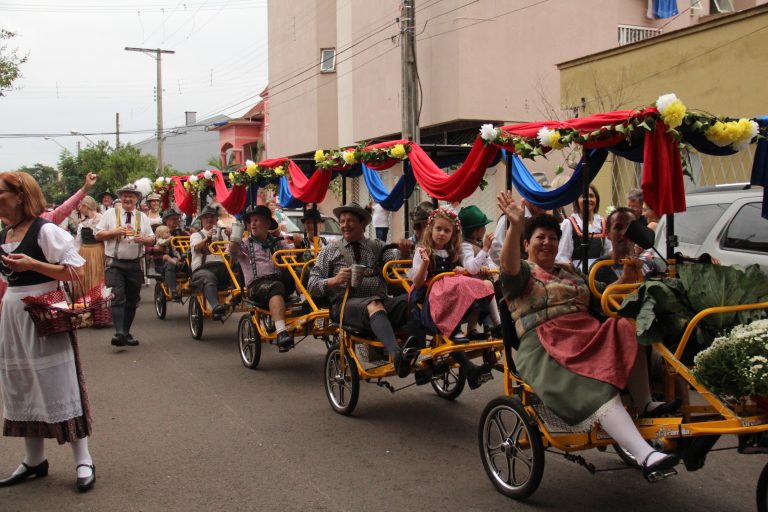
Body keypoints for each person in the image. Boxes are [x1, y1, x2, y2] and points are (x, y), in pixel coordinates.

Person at [496, 190, 680, 481]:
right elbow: (508, 265)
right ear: (526, 244)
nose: (547, 243)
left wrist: (628, 278)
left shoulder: (571, 273)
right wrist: (516, 224)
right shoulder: (522, 273)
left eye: (552, 238)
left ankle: (644, 402)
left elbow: (601, 302)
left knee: (625, 326)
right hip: (545, 344)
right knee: (593, 387)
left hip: (585, 334)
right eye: (540, 238)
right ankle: (646, 455)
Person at [0, 171, 96, 492]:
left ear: (20, 196)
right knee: (21, 382)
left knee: (58, 382)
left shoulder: (46, 230)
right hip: (13, 315)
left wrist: (33, 265)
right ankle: (33, 459)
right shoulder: (6, 233)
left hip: (43, 311)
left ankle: (83, 459)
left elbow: (74, 272)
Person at [308, 202, 415, 378]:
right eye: (342, 221)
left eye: (350, 221)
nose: (344, 225)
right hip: (344, 306)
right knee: (374, 304)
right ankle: (397, 355)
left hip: (380, 302)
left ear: (363, 224)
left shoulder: (379, 246)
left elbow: (395, 270)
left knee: (412, 300)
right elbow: (312, 285)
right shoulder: (330, 250)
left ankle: (420, 350)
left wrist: (404, 253)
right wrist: (335, 280)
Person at [410, 208, 496, 388]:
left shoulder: (452, 251)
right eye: (438, 229)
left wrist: (461, 270)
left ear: (453, 234)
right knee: (451, 287)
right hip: (428, 294)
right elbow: (417, 283)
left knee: (476, 285)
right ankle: (455, 330)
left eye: (447, 230)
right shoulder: (422, 250)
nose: (442, 234)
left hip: (447, 290)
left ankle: (488, 325)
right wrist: (425, 263)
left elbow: (465, 270)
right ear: (430, 229)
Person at [94, 183, 156, 347]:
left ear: (137, 199)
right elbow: (97, 234)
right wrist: (114, 232)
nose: (128, 198)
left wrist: (143, 239)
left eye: (131, 196)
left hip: (134, 263)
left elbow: (152, 238)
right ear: (120, 198)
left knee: (132, 299)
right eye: (125, 195)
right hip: (115, 263)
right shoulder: (110, 214)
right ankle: (119, 332)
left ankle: (125, 333)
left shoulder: (142, 217)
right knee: (118, 296)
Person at [230, 205, 296, 352]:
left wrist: (296, 246)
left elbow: (292, 255)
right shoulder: (246, 244)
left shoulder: (278, 242)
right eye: (251, 221)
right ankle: (281, 333)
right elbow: (233, 251)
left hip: (277, 282)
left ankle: (313, 308)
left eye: (257, 220)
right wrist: (236, 234)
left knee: (299, 272)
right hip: (257, 286)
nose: (252, 224)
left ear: (267, 223)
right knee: (275, 287)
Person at [458, 205, 502, 339]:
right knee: (487, 286)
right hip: (467, 287)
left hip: (478, 284)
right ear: (476, 231)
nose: (485, 229)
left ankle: (483, 328)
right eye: (483, 226)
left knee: (492, 286)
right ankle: (497, 325)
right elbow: (471, 267)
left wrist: (489, 268)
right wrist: (486, 248)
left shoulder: (477, 244)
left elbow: (488, 262)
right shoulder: (464, 246)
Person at [556, 184, 612, 270]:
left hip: (600, 272)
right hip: (578, 273)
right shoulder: (569, 223)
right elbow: (562, 256)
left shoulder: (603, 223)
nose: (588, 199)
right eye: (583, 196)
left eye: (591, 196)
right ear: (577, 201)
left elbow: (609, 252)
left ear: (596, 200)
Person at [189, 206, 231, 320]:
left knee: (238, 270)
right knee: (208, 277)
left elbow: (234, 251)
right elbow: (196, 248)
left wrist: (231, 235)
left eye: (212, 217)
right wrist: (207, 239)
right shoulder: (196, 235)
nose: (209, 220)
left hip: (222, 268)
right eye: (206, 217)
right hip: (202, 269)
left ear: (216, 219)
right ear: (201, 220)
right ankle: (216, 306)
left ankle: (239, 298)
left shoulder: (223, 234)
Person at [73, 196, 104, 301]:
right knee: (86, 280)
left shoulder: (101, 219)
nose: (79, 209)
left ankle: (97, 302)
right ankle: (86, 305)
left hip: (98, 252)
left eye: (80, 206)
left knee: (97, 278)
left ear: (85, 206)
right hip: (84, 253)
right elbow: (78, 242)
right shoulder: (82, 223)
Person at [155, 207, 189, 302]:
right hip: (163, 263)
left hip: (180, 260)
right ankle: (174, 291)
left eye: (177, 218)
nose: (176, 221)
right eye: (173, 219)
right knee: (170, 265)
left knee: (193, 263)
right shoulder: (160, 232)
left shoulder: (182, 233)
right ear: (166, 220)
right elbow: (152, 249)